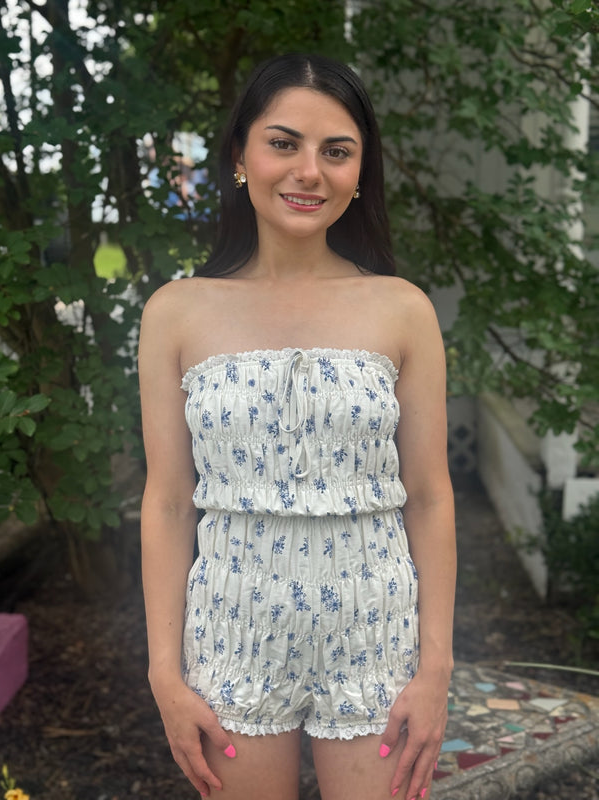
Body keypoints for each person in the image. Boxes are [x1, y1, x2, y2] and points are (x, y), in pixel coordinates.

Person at [138, 53, 456, 800]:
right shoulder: (175, 312)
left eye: (336, 151)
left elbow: (430, 496)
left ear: (360, 172)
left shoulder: (403, 308)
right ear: (240, 156)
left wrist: (436, 666)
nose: (309, 171)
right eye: (283, 143)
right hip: (232, 632)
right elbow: (169, 501)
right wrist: (164, 673)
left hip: (376, 633)